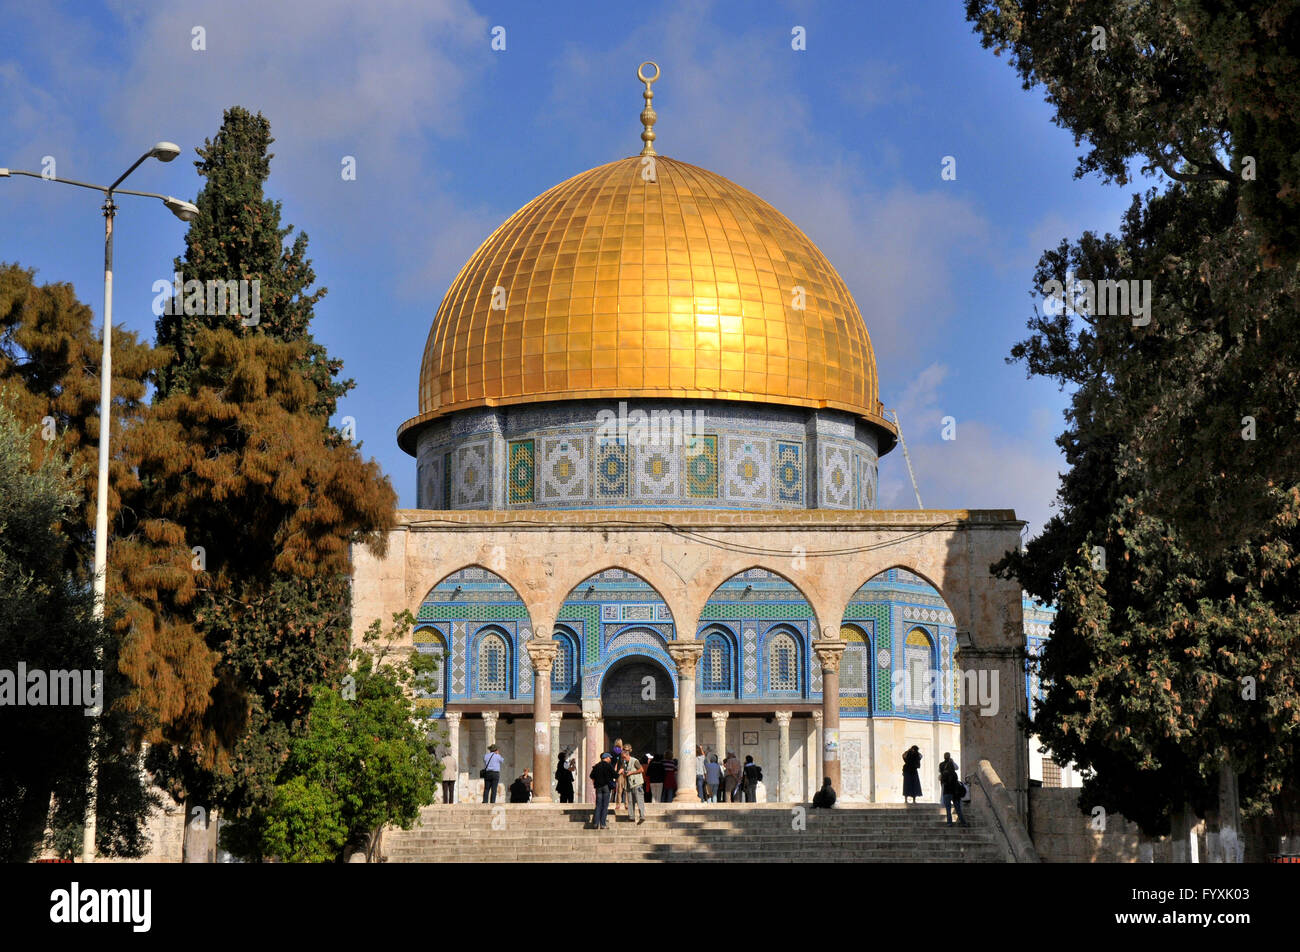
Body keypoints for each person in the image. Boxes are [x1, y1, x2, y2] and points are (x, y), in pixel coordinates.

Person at [939, 752, 968, 827]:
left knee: (948, 810)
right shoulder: (954, 774)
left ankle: (949, 823)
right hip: (954, 793)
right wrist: (952, 761)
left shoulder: (942, 770)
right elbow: (956, 768)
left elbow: (940, 774)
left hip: (946, 792)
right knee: (958, 809)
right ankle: (963, 822)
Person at [590, 753, 616, 829]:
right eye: (609, 758)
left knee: (598, 805)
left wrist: (595, 782)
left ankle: (595, 824)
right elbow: (615, 775)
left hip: (598, 787)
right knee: (605, 806)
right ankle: (603, 824)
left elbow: (591, 776)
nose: (610, 759)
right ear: (606, 758)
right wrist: (620, 772)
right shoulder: (608, 766)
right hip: (606, 787)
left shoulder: (596, 766)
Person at [621, 748, 647, 824]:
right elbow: (626, 772)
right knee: (630, 801)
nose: (623, 759)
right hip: (629, 784)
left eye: (624, 757)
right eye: (622, 757)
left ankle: (642, 816)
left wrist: (631, 773)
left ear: (627, 755)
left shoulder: (635, 761)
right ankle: (631, 817)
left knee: (639, 800)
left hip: (637, 784)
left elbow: (641, 770)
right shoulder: (625, 762)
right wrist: (624, 773)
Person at [612, 738, 626, 813]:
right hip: (621, 772)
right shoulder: (621, 752)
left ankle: (615, 801)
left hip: (615, 771)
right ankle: (624, 802)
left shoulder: (612, 751)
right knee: (622, 788)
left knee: (617, 788)